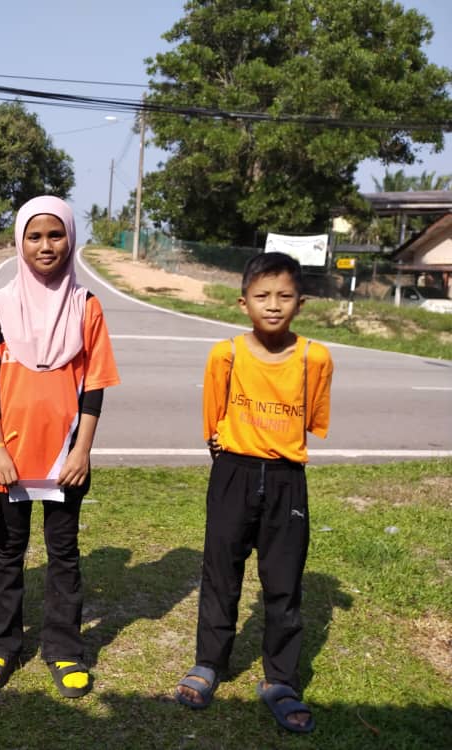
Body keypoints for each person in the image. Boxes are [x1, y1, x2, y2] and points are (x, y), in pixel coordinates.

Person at [174, 251, 333, 734]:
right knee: (220, 572)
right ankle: (208, 663)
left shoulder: (315, 358)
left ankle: (280, 681)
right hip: (234, 473)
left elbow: (311, 418)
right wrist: (232, 452)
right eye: (262, 296)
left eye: (285, 296)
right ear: (243, 302)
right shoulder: (225, 354)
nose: (273, 305)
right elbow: (213, 421)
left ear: (301, 303)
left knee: (283, 583)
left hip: (287, 479)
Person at [0, 196, 119, 698]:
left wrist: (82, 451)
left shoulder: (86, 305)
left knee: (64, 553)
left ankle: (64, 649)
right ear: (20, 242)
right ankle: (0, 645)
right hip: (10, 455)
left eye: (56, 235)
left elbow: (94, 385)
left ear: (70, 239)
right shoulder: (0, 305)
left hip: (64, 458)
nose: (45, 245)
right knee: (8, 551)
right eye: (34, 236)